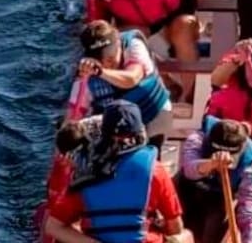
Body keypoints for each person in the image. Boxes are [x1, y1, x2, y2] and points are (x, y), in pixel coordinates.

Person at [45, 100, 194, 243]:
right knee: (186, 236)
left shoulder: (85, 175)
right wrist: (159, 224)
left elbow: (53, 226)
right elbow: (175, 227)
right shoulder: (155, 170)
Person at [77, 20, 173, 148]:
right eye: (99, 58)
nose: (107, 62)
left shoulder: (133, 44)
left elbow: (133, 78)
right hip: (116, 127)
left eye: (110, 56)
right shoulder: (83, 67)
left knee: (144, 157)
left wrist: (100, 71)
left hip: (153, 114)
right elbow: (74, 109)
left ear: (118, 42)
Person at [178, 117, 252, 243]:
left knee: (213, 230)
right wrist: (212, 164)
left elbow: (249, 211)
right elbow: (189, 169)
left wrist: (250, 239)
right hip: (188, 187)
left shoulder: (248, 166)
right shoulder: (197, 139)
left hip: (218, 197)